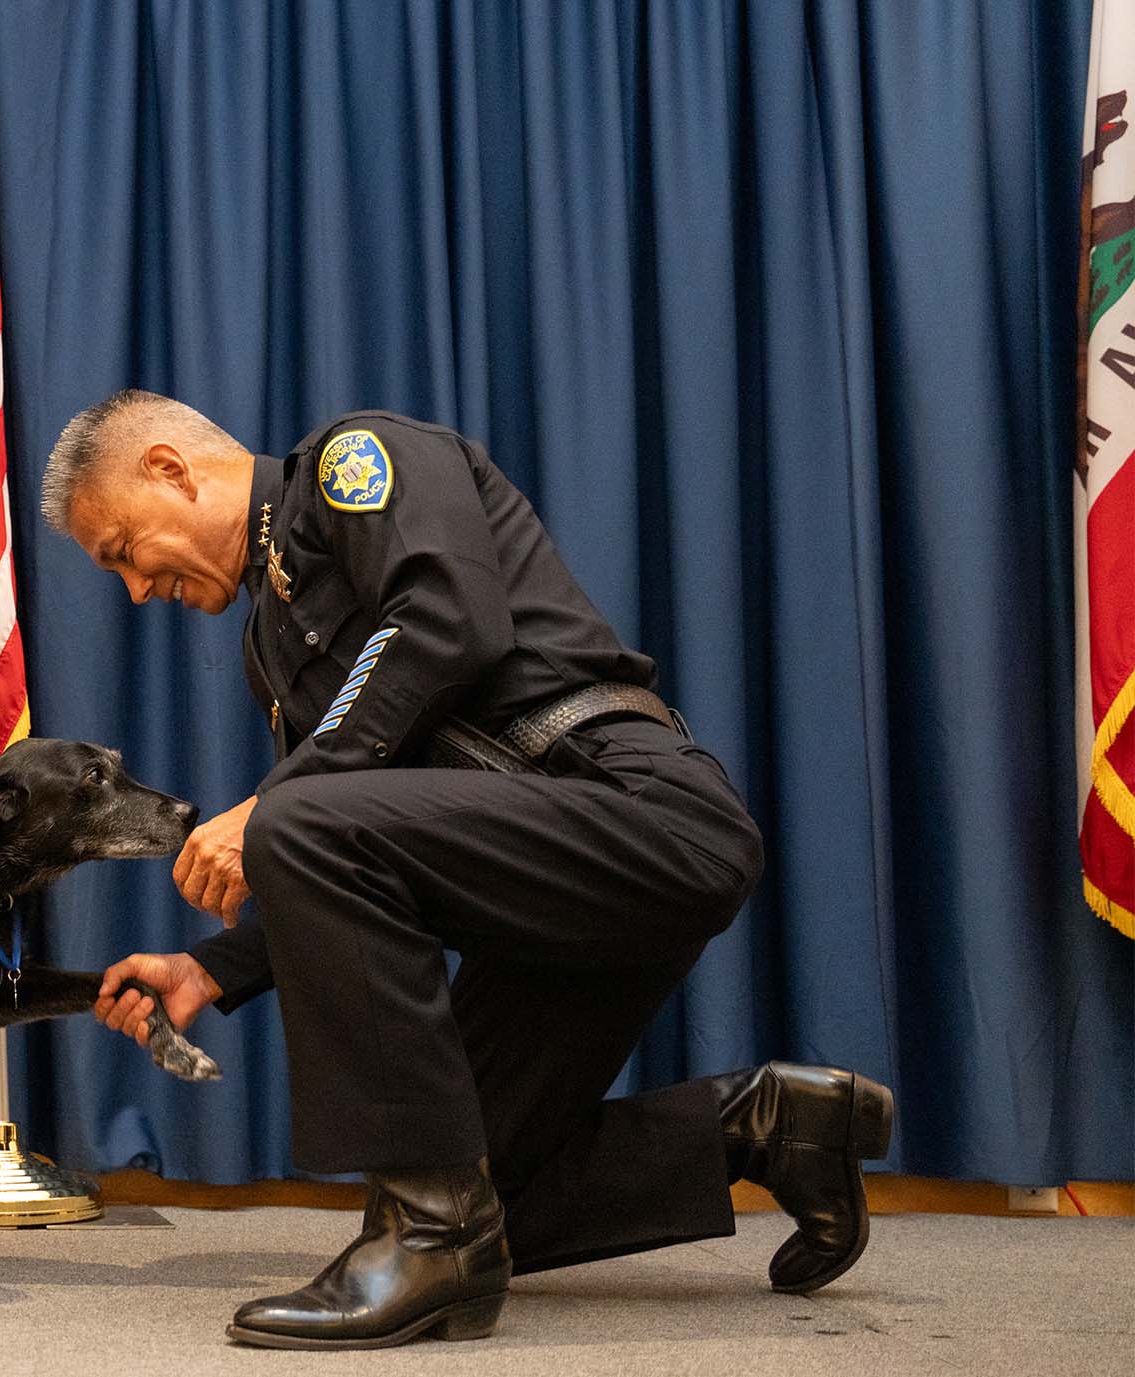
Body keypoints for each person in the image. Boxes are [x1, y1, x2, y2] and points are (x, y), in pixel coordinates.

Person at [47, 391, 895, 1351]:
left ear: (169, 467)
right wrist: (214, 967)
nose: (133, 588)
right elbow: (366, 834)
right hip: (534, 900)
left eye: (120, 550)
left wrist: (279, 803)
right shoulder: (270, 646)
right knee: (482, 1193)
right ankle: (768, 1126)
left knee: (303, 818)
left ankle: (434, 1236)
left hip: (640, 814)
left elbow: (449, 616)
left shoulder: (350, 465)